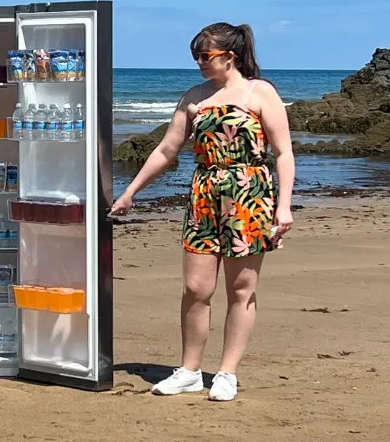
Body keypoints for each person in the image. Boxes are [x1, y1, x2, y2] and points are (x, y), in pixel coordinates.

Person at [110, 22, 294, 401]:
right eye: (196, 55)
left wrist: (284, 206)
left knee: (241, 288)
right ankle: (189, 370)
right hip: (204, 194)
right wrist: (130, 192)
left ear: (231, 55)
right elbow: (166, 150)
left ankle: (227, 373)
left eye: (205, 55)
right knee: (196, 288)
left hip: (249, 194)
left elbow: (283, 152)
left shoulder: (261, 93)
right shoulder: (194, 96)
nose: (199, 62)